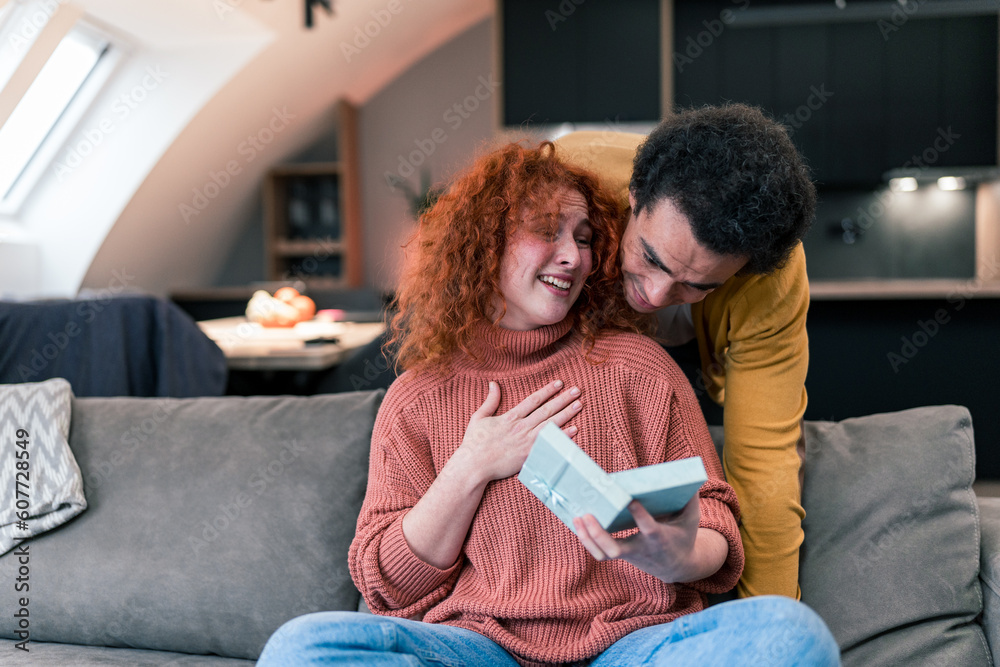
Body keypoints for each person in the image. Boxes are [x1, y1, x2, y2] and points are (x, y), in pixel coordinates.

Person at [257, 141, 839, 666]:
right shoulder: (418, 397)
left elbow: (720, 519)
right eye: (548, 230)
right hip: (479, 648)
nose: (573, 255)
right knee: (300, 650)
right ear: (486, 237)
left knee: (791, 634)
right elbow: (385, 586)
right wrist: (470, 465)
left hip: (632, 646)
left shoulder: (642, 369)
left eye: (585, 239)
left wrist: (680, 557)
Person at [554, 104, 816, 599]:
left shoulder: (771, 277)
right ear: (634, 197)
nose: (653, 295)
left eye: (696, 284)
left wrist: (765, 629)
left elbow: (765, 465)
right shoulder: (571, 177)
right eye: (650, 257)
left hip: (698, 355)